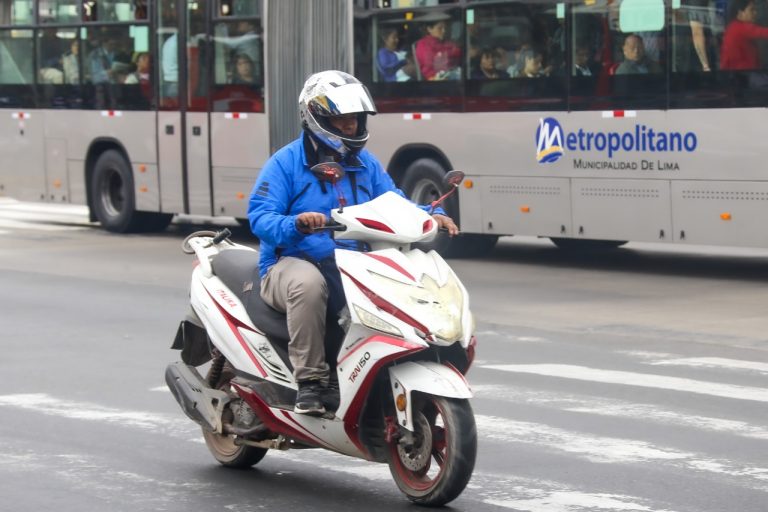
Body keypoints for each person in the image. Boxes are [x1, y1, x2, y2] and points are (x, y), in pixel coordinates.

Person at [247, 71, 459, 416]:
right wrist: (297, 224)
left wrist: (429, 215)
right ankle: (312, 382)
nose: (349, 128)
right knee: (309, 285)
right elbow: (260, 217)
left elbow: (394, 201)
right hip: (289, 264)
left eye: (354, 120)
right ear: (316, 118)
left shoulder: (366, 164)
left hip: (351, 262)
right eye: (341, 120)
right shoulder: (285, 164)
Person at [720, 0, 768, 70]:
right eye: (751, 10)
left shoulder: (733, 27)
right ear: (740, 13)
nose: (755, 13)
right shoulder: (741, 28)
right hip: (742, 74)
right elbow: (763, 32)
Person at [414, 14, 461, 80]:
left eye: (445, 28)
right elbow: (430, 63)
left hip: (449, 72)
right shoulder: (423, 44)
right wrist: (450, 53)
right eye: (440, 28)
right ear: (429, 29)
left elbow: (456, 51)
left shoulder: (444, 42)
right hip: (434, 78)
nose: (444, 31)